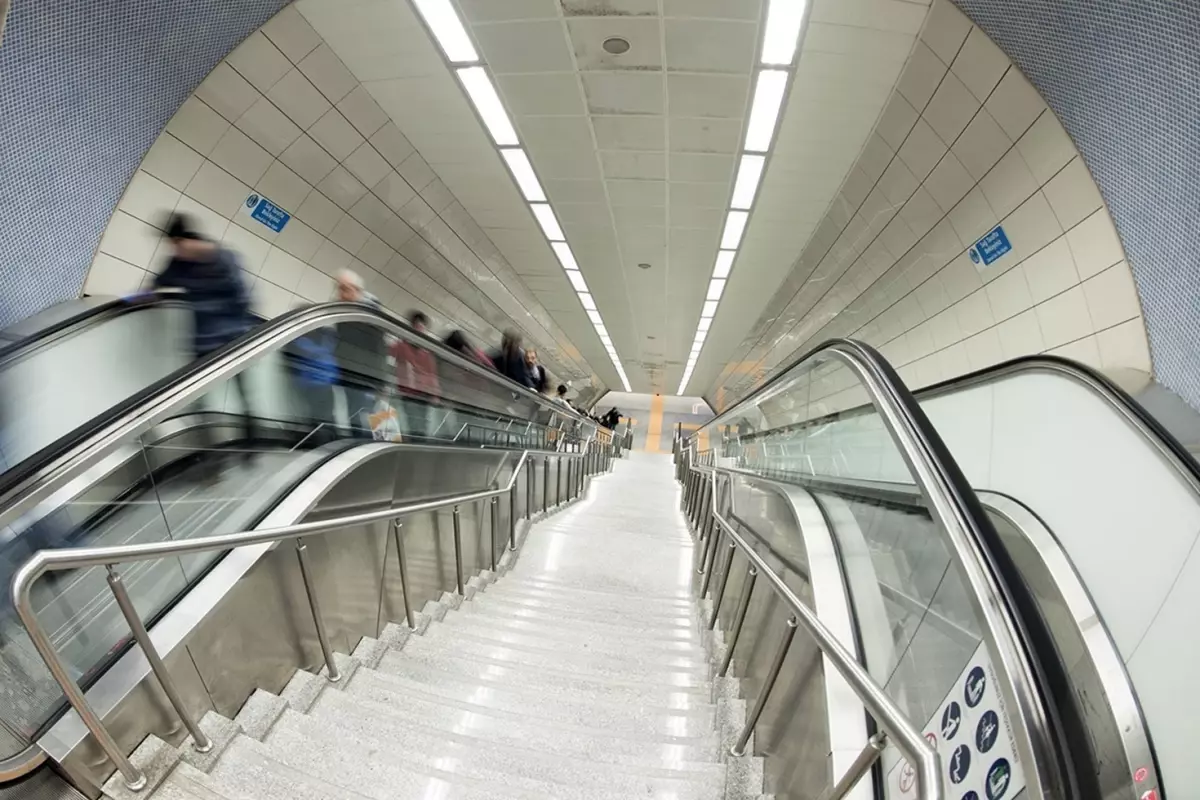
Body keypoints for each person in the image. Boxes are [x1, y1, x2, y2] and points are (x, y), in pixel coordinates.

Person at [150, 213, 257, 451]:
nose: (175, 251)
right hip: (202, 345)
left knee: (245, 397)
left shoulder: (226, 259)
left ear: (188, 240)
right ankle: (207, 451)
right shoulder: (178, 264)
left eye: (177, 244)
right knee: (199, 398)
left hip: (233, 342)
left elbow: (245, 299)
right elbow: (156, 285)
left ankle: (251, 446)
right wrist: (136, 299)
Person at [333, 270, 387, 435]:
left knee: (366, 421)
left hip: (366, 379)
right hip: (349, 376)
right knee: (354, 418)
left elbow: (379, 349)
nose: (341, 293)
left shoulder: (370, 315)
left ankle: (367, 448)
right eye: (339, 288)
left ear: (357, 290)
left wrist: (380, 383)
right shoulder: (343, 312)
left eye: (345, 289)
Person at [391, 311, 441, 439]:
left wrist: (435, 394)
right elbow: (390, 354)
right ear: (412, 326)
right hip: (408, 391)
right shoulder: (402, 345)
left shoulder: (427, 349)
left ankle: (418, 444)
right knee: (412, 423)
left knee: (422, 424)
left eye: (422, 327)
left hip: (424, 393)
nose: (420, 329)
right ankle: (413, 443)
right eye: (417, 326)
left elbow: (432, 373)